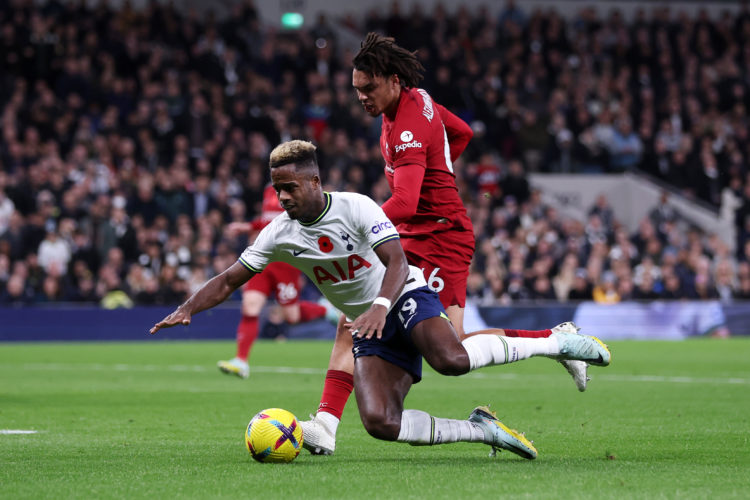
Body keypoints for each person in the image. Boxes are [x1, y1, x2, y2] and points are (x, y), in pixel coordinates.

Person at [150, 140, 611, 459]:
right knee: (379, 423)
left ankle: (558, 340)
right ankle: (480, 430)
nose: (282, 197)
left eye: (289, 187)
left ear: (314, 181)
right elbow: (230, 279)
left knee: (450, 358)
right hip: (368, 324)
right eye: (277, 189)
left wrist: (378, 306)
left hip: (402, 295)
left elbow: (395, 262)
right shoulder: (279, 234)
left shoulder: (356, 207)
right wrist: (188, 307)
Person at [302, 33, 589, 455]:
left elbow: (405, 201)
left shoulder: (407, 128)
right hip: (419, 231)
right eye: (356, 90)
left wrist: (357, 230)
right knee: (356, 317)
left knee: (452, 347)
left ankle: (555, 337)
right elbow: (464, 133)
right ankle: (325, 424)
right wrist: (440, 165)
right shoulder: (412, 102)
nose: (361, 97)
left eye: (368, 88)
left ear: (394, 80)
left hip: (439, 237)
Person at [216, 183, 330, 379]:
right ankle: (241, 361)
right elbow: (268, 221)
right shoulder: (269, 190)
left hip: (287, 260)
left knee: (291, 316)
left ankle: (326, 310)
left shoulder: (301, 190)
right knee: (250, 307)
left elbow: (292, 221)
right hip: (264, 256)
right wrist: (248, 227)